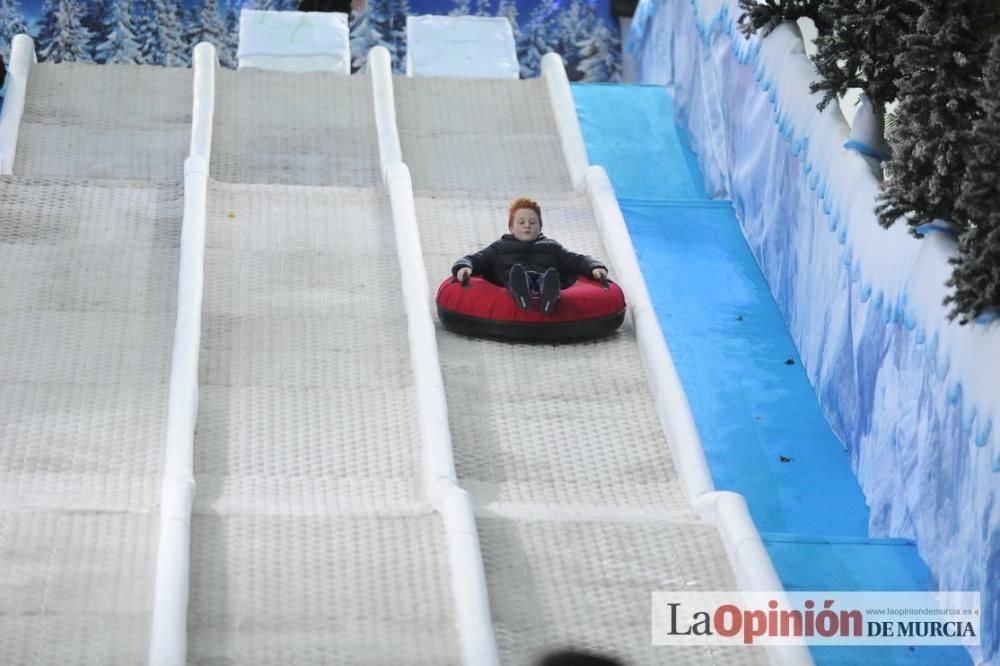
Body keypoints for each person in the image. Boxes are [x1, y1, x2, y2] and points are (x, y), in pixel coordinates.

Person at [452, 197, 609, 315]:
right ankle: (521, 291)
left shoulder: (551, 247)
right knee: (517, 274)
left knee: (546, 277)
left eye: (533, 222)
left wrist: (595, 267)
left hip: (543, 278)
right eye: (521, 222)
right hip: (513, 282)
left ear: (540, 227)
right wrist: (464, 267)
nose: (527, 225)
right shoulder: (499, 248)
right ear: (511, 227)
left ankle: (549, 295)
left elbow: (576, 260)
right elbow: (476, 259)